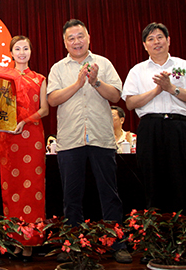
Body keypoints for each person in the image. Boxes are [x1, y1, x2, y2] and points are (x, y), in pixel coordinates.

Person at [47, 19, 132, 263]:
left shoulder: (103, 63)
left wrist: (95, 81)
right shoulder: (58, 68)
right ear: (65, 42)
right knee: (71, 196)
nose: (76, 41)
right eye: (71, 38)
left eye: (80, 36)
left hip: (101, 138)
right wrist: (78, 83)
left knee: (109, 194)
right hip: (70, 140)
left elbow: (116, 95)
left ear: (88, 37)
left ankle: (118, 244)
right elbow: (52, 100)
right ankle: (73, 245)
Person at [122, 22, 186, 265]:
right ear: (144, 45)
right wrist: (158, 91)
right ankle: (154, 246)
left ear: (168, 40)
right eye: (150, 39)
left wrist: (172, 88)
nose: (156, 42)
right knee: (153, 185)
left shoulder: (184, 66)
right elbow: (130, 103)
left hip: (179, 127)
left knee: (183, 185)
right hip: (150, 128)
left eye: (160, 37)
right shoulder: (137, 70)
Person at [0, 36, 49, 262]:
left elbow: (45, 110)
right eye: (17, 49)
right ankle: (14, 239)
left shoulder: (39, 79)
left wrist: (26, 120)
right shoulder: (2, 78)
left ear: (31, 52)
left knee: (33, 188)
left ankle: (30, 241)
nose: (22, 52)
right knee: (11, 188)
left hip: (32, 138)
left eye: (25, 48)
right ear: (11, 53)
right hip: (9, 138)